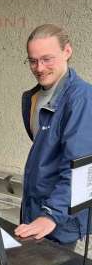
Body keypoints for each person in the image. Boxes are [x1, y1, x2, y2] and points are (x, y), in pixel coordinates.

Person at [14, 24, 92, 245]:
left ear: (67, 51)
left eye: (47, 59)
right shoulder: (32, 98)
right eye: (33, 60)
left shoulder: (82, 99)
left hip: (59, 219)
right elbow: (44, 152)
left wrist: (51, 215)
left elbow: (81, 166)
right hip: (32, 208)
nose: (39, 68)